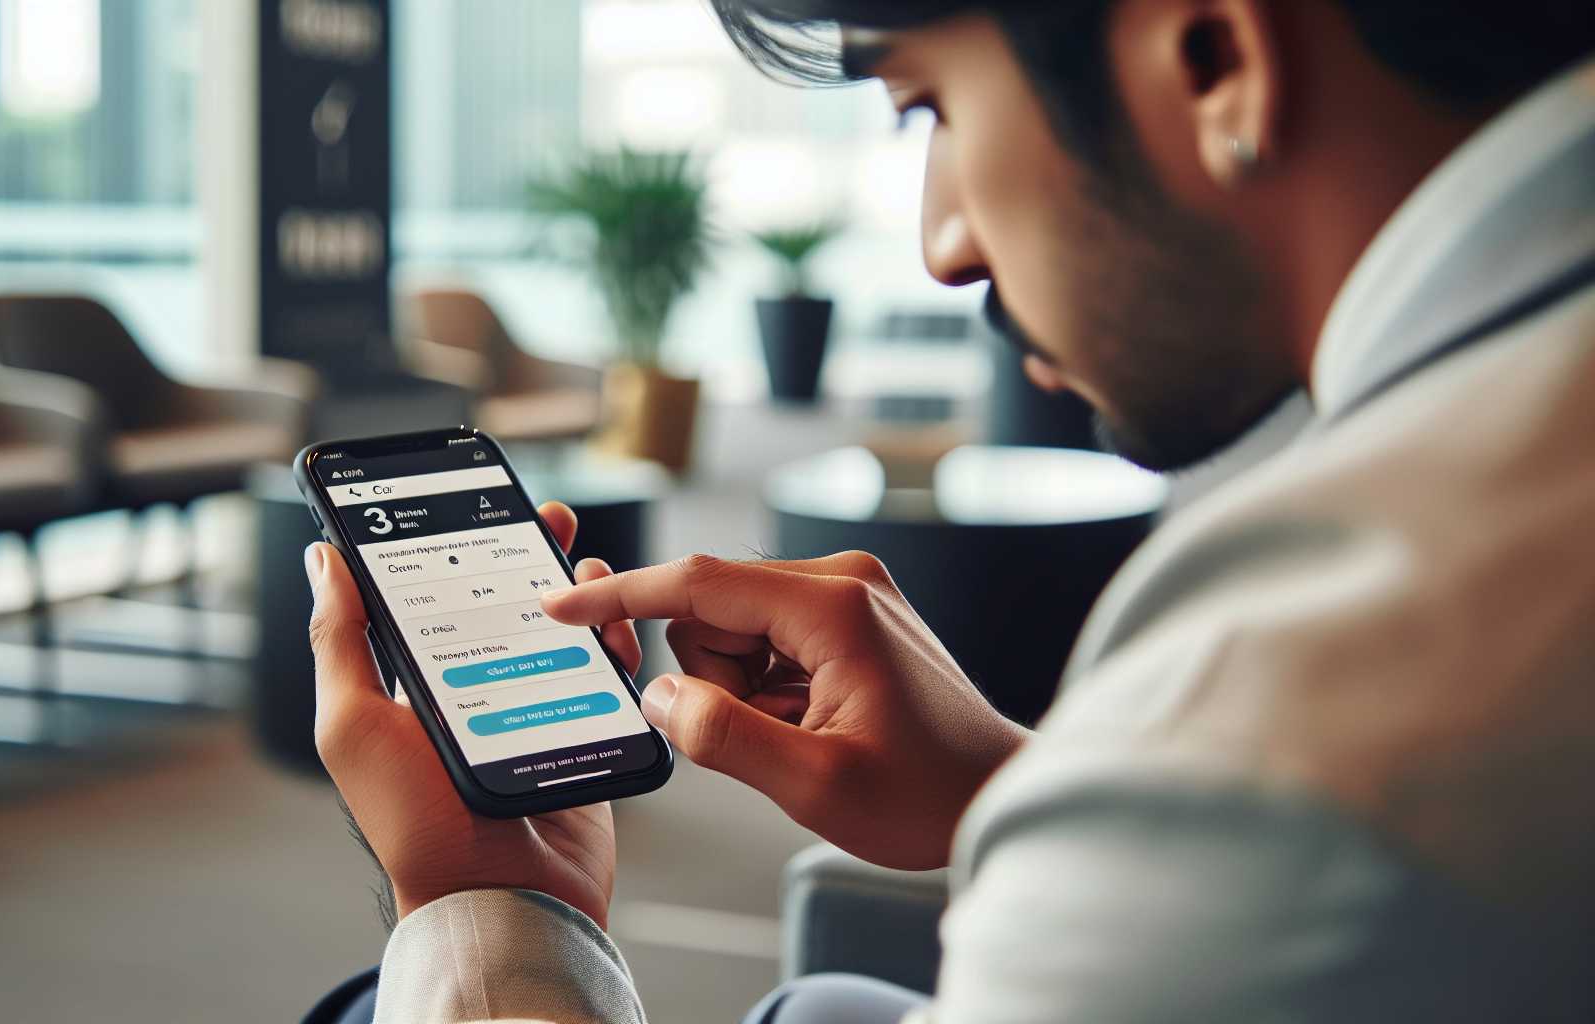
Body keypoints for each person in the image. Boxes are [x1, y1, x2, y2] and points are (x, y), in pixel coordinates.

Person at [302, 1, 1595, 1020]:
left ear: (1217, 55)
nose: (945, 241)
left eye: (932, 104)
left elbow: (1296, 827)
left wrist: (499, 915)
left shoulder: (1288, 706)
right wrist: (1021, 789)